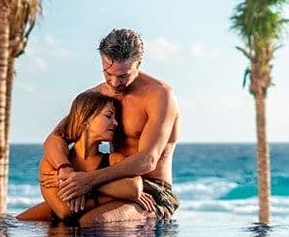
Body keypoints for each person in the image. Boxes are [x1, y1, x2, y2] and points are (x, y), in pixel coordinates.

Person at [41, 28, 181, 223]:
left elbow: (147, 160)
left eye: (123, 76)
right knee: (35, 218)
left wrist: (89, 180)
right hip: (110, 183)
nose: (114, 83)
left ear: (138, 64)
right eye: (108, 73)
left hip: (151, 190)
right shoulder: (97, 97)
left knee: (90, 222)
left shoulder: (159, 95)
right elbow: (54, 139)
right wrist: (66, 170)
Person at [17, 90, 154, 225]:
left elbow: (134, 189)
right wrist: (115, 193)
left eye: (115, 118)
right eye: (108, 116)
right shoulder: (50, 163)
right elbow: (64, 211)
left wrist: (85, 182)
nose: (115, 123)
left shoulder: (113, 159)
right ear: (86, 119)